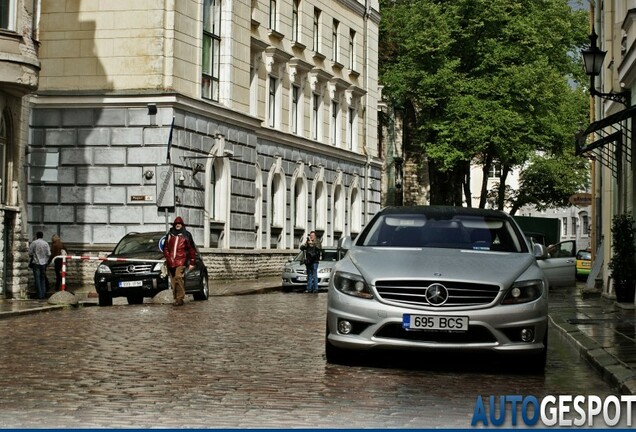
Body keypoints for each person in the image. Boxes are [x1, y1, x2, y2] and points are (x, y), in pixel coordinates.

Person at [163, 216, 196, 306]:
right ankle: (176, 298)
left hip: (181, 260)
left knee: (178, 277)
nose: (178, 225)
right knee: (173, 281)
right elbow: (165, 247)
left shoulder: (186, 235)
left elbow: (191, 249)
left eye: (179, 224)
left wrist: (192, 262)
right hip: (171, 261)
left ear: (182, 225)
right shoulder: (170, 235)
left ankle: (180, 298)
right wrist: (168, 257)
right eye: (176, 224)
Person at [28, 231, 51, 299]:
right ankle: (43, 294)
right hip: (43, 263)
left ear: (37, 236)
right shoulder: (46, 243)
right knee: (42, 278)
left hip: (36, 262)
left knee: (37, 279)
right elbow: (49, 254)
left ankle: (39, 294)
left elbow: (30, 252)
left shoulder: (34, 243)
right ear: (42, 236)